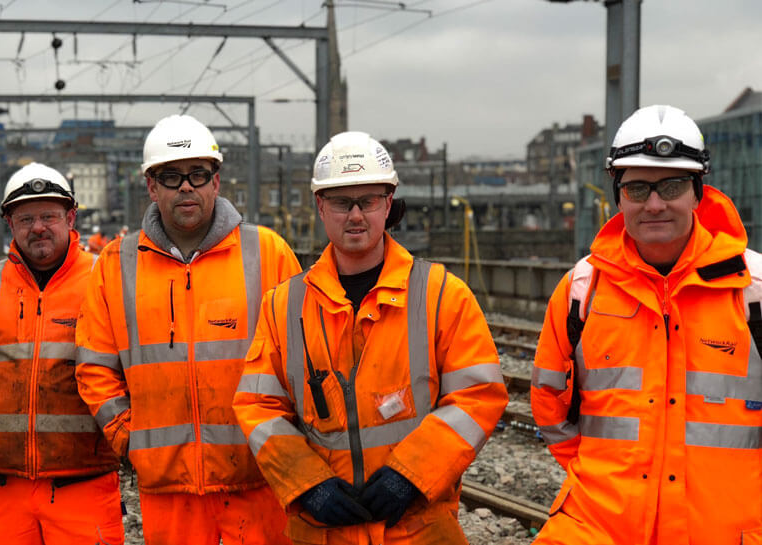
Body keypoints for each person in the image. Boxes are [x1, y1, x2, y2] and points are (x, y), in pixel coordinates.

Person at [232, 131, 508, 545]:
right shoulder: (284, 306)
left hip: (418, 527)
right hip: (324, 530)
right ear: (321, 207)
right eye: (342, 202)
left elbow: (478, 395)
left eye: (369, 201)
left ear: (389, 203)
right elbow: (259, 407)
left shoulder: (440, 295)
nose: (356, 215)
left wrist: (411, 476)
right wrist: (308, 485)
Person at [531, 104, 762, 544]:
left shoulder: (755, 293)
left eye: (671, 186)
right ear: (619, 195)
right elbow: (549, 403)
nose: (654, 204)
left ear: (699, 191)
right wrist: (606, 482)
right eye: (637, 189)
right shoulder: (583, 290)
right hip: (596, 529)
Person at [75, 114, 301, 545]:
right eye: (171, 176)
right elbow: (94, 364)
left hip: (258, 482)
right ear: (151, 186)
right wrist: (128, 438)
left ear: (216, 182)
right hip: (168, 491)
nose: (186, 186)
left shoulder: (266, 253)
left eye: (198, 174)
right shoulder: (116, 264)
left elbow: (301, 357)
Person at [0, 163, 123, 544]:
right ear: (9, 222)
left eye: (49, 216)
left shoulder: (105, 281)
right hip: (2, 484)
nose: (38, 227)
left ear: (70, 217)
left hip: (85, 483)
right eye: (26, 218)